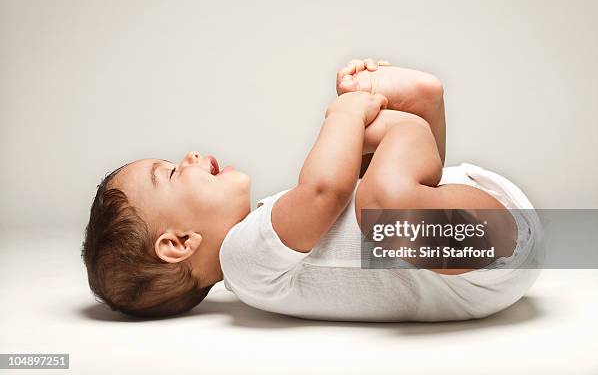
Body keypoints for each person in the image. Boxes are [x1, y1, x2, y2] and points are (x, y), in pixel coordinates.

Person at [82, 59, 541, 320]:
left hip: (468, 238)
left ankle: (411, 117)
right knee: (379, 207)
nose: (190, 157)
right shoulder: (242, 259)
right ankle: (411, 120)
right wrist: (342, 114)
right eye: (173, 174)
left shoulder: (262, 245)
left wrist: (358, 127)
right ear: (179, 243)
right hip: (478, 253)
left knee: (380, 198)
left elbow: (341, 190)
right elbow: (325, 189)